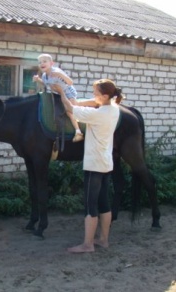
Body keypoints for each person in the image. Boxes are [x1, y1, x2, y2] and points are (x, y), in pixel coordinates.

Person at [51, 79, 123, 253]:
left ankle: (88, 244)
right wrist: (78, 99)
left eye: (96, 93)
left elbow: (70, 109)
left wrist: (62, 92)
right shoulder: (114, 109)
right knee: (104, 203)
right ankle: (103, 240)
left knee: (91, 205)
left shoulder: (97, 114)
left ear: (105, 96)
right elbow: (92, 102)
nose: (93, 96)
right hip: (105, 163)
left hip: (94, 165)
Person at [33, 53, 84, 142]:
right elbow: (46, 83)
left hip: (68, 93)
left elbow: (70, 82)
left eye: (44, 61)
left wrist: (61, 75)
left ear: (51, 63)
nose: (42, 64)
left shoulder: (57, 72)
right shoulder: (45, 75)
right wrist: (38, 80)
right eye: (40, 62)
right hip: (59, 93)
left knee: (70, 111)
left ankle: (78, 131)